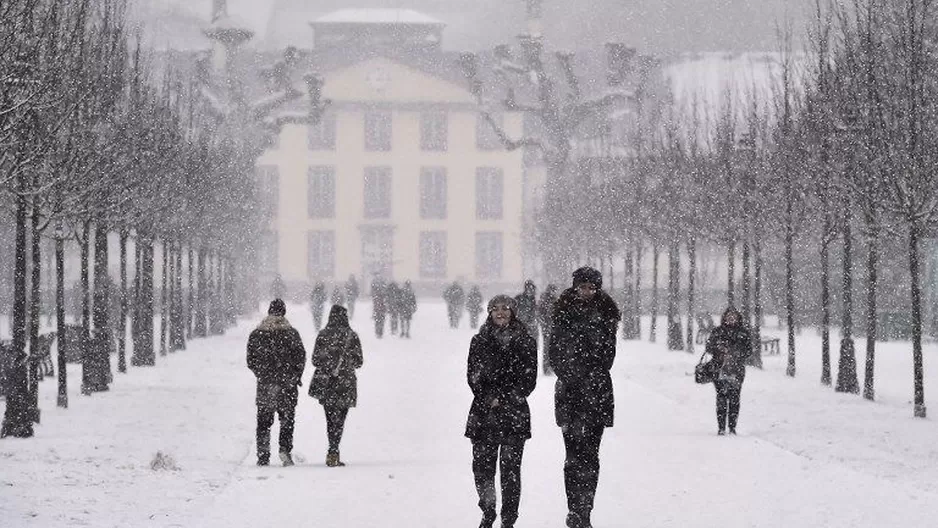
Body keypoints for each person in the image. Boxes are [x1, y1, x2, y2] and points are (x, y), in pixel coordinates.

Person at [548, 267, 621, 528]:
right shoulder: (562, 313)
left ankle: (586, 509)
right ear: (575, 287)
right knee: (573, 455)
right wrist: (573, 376)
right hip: (570, 392)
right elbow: (554, 353)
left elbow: (608, 357)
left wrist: (589, 370)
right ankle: (573, 509)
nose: (587, 292)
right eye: (583, 287)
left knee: (591, 455)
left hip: (598, 392)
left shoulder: (608, 314)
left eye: (592, 287)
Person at [465, 295, 537, 528]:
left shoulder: (526, 341)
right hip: (483, 414)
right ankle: (488, 511)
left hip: (513, 416)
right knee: (482, 469)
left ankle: (508, 519)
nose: (500, 312)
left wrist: (505, 399)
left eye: (505, 308)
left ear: (513, 312)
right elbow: (472, 375)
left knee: (510, 472)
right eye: (495, 309)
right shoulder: (478, 341)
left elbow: (529, 379)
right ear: (488, 312)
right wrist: (487, 397)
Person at [246, 299, 306, 467]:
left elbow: (251, 360)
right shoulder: (292, 333)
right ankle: (285, 450)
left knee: (264, 421)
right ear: (284, 313)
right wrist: (295, 376)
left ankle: (263, 454)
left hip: (266, 384)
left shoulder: (257, 334)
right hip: (287, 384)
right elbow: (301, 357)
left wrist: (262, 374)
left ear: (269, 312)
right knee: (287, 419)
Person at [309, 305, 363, 467]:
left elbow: (315, 360)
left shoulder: (323, 335)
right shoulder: (351, 336)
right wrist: (345, 364)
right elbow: (359, 361)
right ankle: (334, 450)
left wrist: (328, 364)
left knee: (330, 418)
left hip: (327, 382)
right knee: (340, 418)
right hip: (345, 383)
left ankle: (332, 450)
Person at [705, 306, 752, 435]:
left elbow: (749, 351)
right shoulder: (717, 331)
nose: (731, 318)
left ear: (738, 318)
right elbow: (708, 348)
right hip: (719, 369)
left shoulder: (743, 332)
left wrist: (737, 354)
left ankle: (732, 427)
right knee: (721, 397)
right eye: (729, 316)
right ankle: (721, 427)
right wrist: (719, 350)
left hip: (737, 370)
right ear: (724, 318)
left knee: (735, 398)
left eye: (734, 316)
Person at [538, 284, 559, 374]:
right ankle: (547, 368)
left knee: (551, 348)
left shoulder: (552, 300)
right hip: (547, 327)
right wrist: (544, 324)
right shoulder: (546, 300)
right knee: (547, 348)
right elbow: (540, 314)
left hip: (551, 327)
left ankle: (550, 367)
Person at [515, 280, 539, 346]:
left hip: (531, 326)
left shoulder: (533, 299)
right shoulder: (519, 298)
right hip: (522, 325)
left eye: (532, 288)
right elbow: (514, 310)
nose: (531, 290)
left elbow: (534, 312)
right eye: (529, 288)